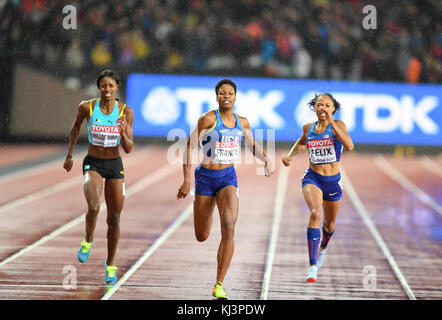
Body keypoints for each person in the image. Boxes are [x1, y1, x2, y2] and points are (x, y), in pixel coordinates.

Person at [177, 79, 275, 299]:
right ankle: (207, 211)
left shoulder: (242, 122)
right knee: (201, 235)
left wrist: (267, 159)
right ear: (217, 97)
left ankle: (219, 284)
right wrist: (186, 180)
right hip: (205, 178)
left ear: (236, 97)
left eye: (230, 93)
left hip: (227, 177)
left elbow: (251, 145)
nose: (226, 96)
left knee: (229, 225)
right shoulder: (208, 119)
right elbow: (188, 148)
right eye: (222, 93)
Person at [63, 69, 134, 284]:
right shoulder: (87, 107)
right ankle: (88, 240)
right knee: (94, 206)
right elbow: (75, 128)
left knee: (114, 218)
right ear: (99, 88)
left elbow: (129, 148)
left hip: (114, 165)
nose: (107, 90)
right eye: (104, 86)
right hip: (92, 162)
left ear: (117, 88)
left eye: (111, 86)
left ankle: (110, 265)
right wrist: (69, 155)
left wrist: (122, 133)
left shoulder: (125, 112)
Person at [281, 93, 354, 283]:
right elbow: (302, 142)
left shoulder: (339, 126)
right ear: (314, 107)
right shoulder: (308, 128)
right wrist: (290, 156)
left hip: (333, 181)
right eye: (319, 105)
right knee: (315, 213)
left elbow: (349, 146)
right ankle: (312, 266)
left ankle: (323, 247)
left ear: (333, 109)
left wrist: (332, 123)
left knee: (329, 225)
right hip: (312, 178)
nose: (323, 108)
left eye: (327, 105)